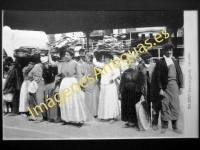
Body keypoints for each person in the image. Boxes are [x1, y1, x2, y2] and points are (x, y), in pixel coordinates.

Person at [49, 48, 93, 127]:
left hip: (72, 82)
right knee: (65, 101)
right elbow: (55, 67)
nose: (66, 56)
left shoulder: (75, 63)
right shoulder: (63, 64)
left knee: (74, 101)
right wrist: (49, 53)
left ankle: (78, 120)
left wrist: (79, 85)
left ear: (72, 56)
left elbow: (79, 75)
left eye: (67, 55)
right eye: (65, 55)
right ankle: (66, 119)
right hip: (64, 82)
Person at [154, 43, 183, 134]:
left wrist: (181, 86)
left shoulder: (174, 61)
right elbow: (157, 76)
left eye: (170, 50)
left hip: (174, 86)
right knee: (165, 106)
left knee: (175, 106)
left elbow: (180, 74)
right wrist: (160, 89)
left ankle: (175, 127)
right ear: (164, 51)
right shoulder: (160, 62)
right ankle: (164, 126)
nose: (169, 52)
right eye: (167, 50)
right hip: (165, 87)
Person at [93, 52, 120, 124]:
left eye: (106, 58)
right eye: (104, 58)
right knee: (104, 100)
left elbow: (117, 73)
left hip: (110, 85)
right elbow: (96, 63)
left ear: (110, 59)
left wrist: (112, 78)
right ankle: (105, 116)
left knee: (110, 100)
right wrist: (94, 56)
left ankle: (112, 117)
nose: (104, 59)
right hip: (104, 85)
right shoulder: (103, 65)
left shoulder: (113, 65)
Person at [119, 57, 145, 131]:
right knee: (127, 107)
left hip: (135, 93)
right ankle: (129, 122)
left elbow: (142, 83)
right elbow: (122, 82)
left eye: (132, 62)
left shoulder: (139, 72)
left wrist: (141, 92)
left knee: (134, 107)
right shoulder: (125, 72)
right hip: (126, 93)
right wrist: (120, 91)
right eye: (129, 62)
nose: (131, 63)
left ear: (135, 63)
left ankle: (136, 124)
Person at [27, 56, 49, 123]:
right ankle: (40, 116)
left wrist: (33, 78)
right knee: (39, 99)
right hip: (40, 83)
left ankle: (36, 115)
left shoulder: (36, 66)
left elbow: (29, 75)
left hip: (35, 83)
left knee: (34, 100)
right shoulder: (44, 67)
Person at [138, 52, 156, 128]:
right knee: (146, 104)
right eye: (146, 58)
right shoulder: (140, 67)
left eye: (149, 58)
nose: (148, 60)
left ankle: (154, 122)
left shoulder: (154, 66)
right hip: (144, 89)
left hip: (153, 88)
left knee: (155, 105)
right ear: (143, 59)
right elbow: (138, 78)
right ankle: (147, 120)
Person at [84, 53, 100, 117]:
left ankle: (94, 112)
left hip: (93, 81)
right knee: (89, 97)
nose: (85, 59)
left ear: (90, 58)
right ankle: (89, 112)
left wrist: (96, 80)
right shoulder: (88, 65)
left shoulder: (94, 65)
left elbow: (97, 74)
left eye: (86, 58)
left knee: (93, 97)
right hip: (88, 81)